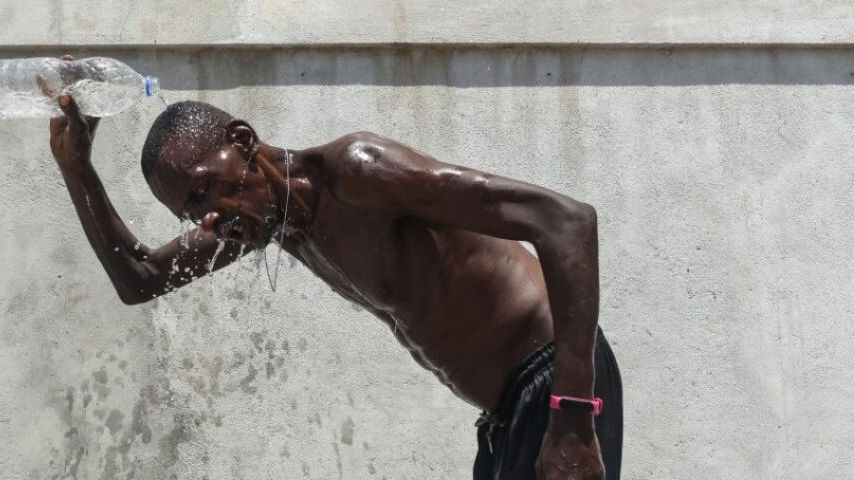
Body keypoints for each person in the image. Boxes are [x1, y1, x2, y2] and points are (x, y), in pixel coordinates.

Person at [45, 66, 622, 480]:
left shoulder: (356, 174)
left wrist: (572, 415)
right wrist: (76, 169)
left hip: (558, 386)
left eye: (205, 190)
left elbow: (565, 222)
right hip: (506, 415)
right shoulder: (270, 225)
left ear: (243, 141)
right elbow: (142, 277)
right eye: (192, 212)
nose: (209, 218)